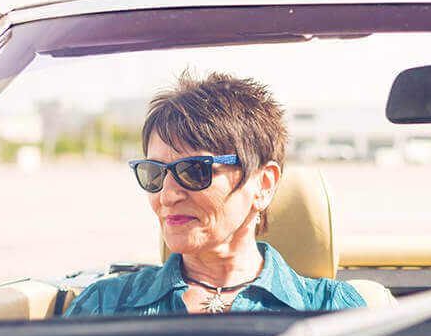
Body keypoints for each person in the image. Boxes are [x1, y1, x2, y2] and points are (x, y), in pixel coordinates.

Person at [66, 71, 365, 315]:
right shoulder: (105, 306)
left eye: (195, 171)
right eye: (154, 173)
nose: (167, 196)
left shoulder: (331, 310)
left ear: (263, 184)